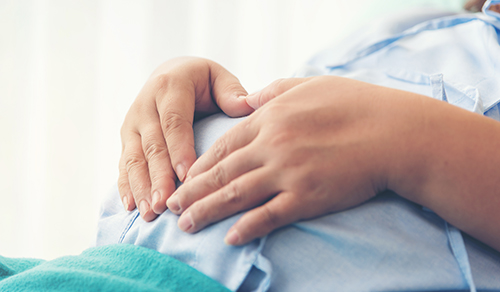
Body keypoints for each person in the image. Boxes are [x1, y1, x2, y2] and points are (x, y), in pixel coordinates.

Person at [99, 0, 500, 291]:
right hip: (98, 266)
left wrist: (402, 136)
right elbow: (300, 137)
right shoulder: (399, 24)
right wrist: (197, 101)